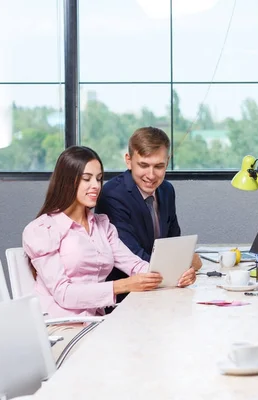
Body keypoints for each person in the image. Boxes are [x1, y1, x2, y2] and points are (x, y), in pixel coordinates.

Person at [22, 146, 197, 360]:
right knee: (126, 353)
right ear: (67, 181)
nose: (95, 186)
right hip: (60, 329)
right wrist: (122, 286)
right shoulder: (42, 229)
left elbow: (135, 265)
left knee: (155, 340)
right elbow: (64, 294)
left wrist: (176, 275)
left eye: (98, 178)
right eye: (86, 179)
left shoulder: (102, 226)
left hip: (96, 323)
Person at [95, 127, 202, 301]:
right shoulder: (112, 195)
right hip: (127, 296)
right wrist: (184, 264)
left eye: (159, 166)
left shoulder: (167, 190)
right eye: (143, 165)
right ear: (128, 161)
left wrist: (185, 270)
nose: (151, 175)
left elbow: (174, 243)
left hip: (163, 290)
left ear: (167, 162)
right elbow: (131, 255)